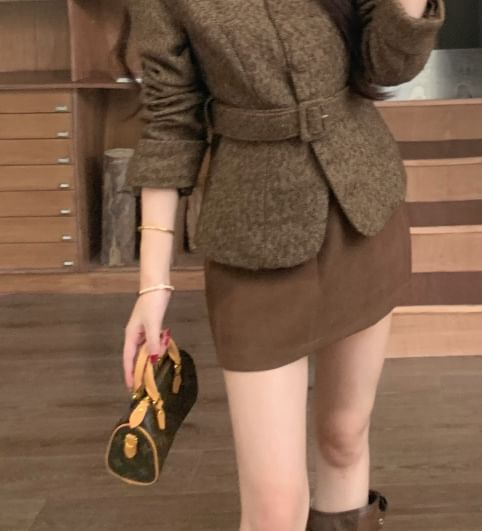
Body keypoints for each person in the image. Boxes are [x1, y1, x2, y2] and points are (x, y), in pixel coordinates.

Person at [118, 1, 445, 530]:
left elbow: (387, 66)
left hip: (360, 210)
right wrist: (152, 285)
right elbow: (170, 121)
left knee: (344, 436)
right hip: (252, 236)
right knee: (275, 505)